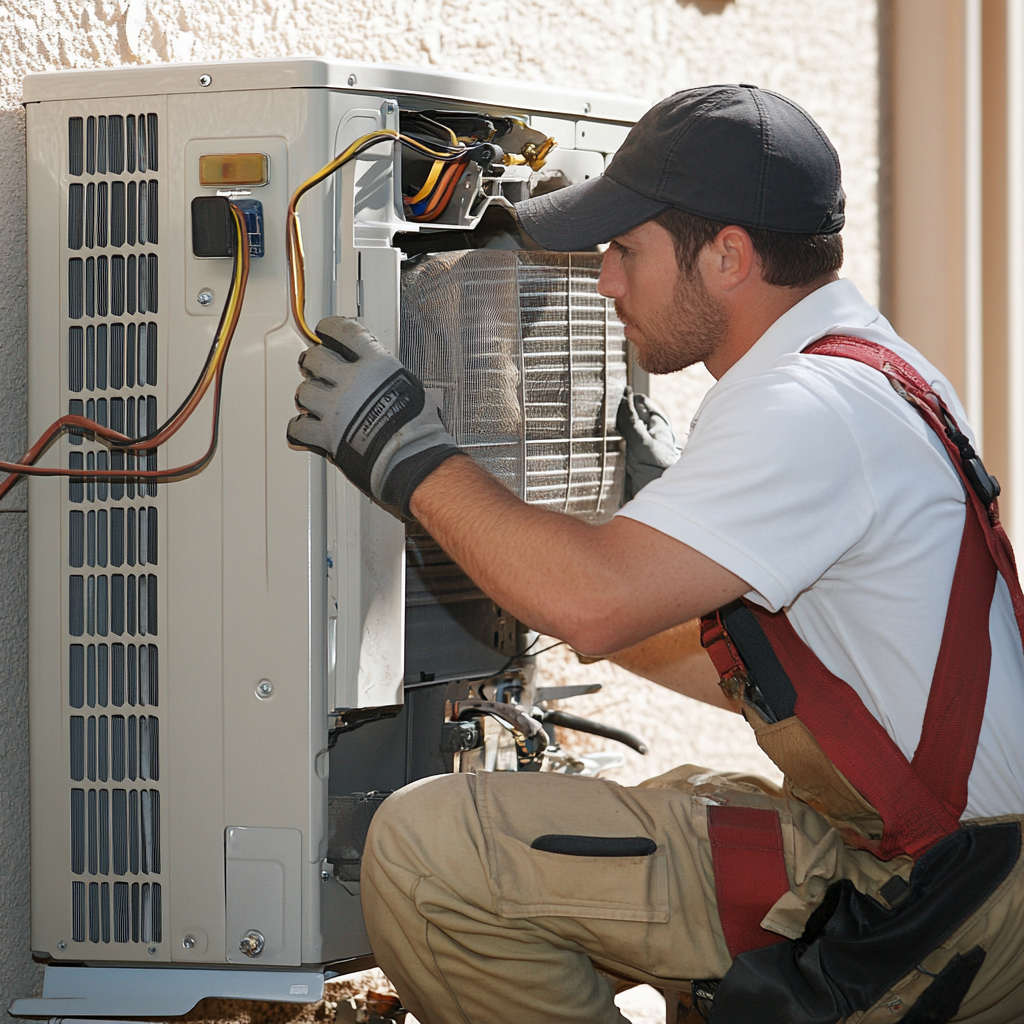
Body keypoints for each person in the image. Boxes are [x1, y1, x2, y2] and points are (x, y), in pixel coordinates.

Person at [287, 86, 1024, 1024]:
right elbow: (759, 674)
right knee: (696, 800)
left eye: (625, 251)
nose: (604, 283)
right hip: (946, 855)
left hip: (953, 906)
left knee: (431, 855)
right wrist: (568, 562)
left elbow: (595, 603)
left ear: (728, 255)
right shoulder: (873, 371)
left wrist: (407, 454)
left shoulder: (802, 406)